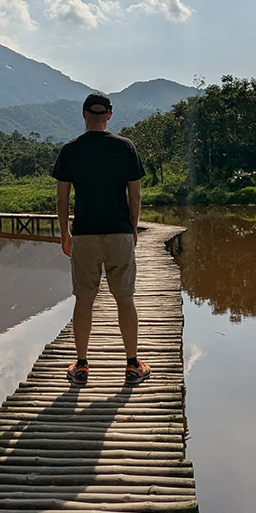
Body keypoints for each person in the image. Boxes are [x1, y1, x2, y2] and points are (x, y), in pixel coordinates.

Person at [50, 91, 151, 386]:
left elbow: (61, 200)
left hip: (85, 235)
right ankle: (132, 365)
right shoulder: (126, 147)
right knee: (125, 299)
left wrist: (65, 233)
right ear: (109, 115)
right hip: (119, 232)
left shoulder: (70, 150)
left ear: (83, 114)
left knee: (84, 299)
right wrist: (132, 228)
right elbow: (135, 195)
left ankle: (81, 366)